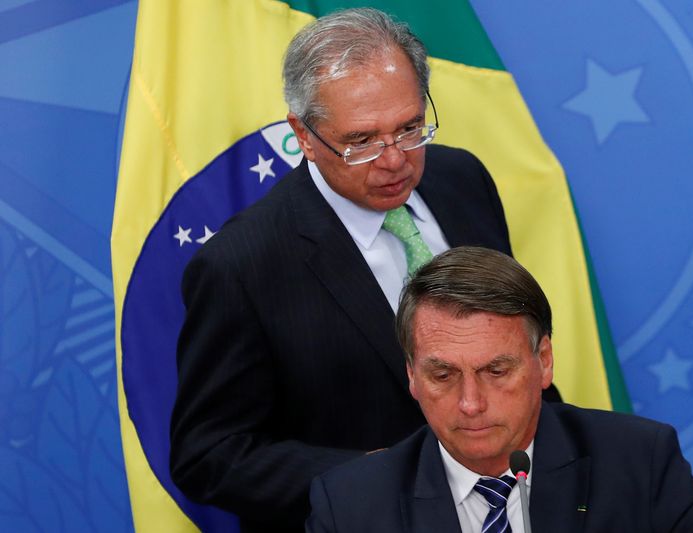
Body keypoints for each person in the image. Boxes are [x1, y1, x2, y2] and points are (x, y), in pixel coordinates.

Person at [169, 8, 558, 532]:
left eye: (410, 128)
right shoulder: (240, 265)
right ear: (304, 136)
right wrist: (371, 477)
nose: (395, 159)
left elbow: (516, 349)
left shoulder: (463, 180)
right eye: (361, 141)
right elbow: (208, 455)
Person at [306, 246, 693, 532]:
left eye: (496, 370)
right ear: (412, 376)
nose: (470, 403)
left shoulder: (640, 461)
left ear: (543, 361)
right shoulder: (350, 506)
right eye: (443, 375)